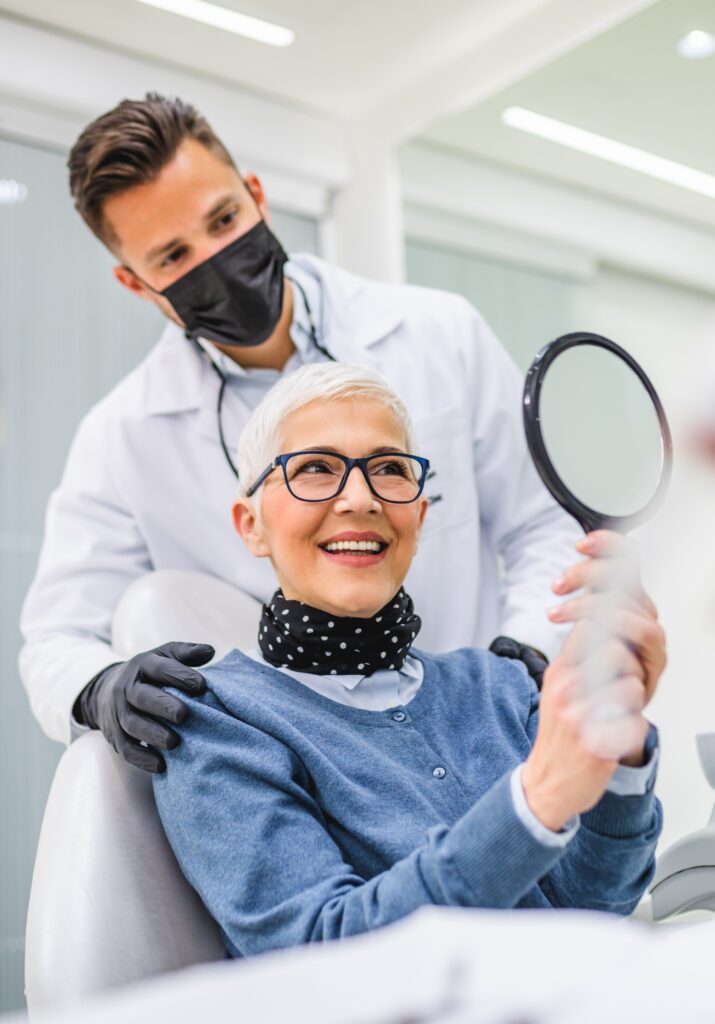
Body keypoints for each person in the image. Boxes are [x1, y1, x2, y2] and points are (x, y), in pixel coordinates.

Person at [20, 93, 580, 772]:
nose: (216, 260)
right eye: (172, 256)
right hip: (304, 775)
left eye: (224, 219)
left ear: (256, 196)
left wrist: (520, 657)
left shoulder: (439, 334)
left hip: (485, 735)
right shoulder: (123, 436)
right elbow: (58, 635)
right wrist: (98, 686)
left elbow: (542, 526)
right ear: (136, 285)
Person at [152, 362, 663, 958]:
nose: (360, 499)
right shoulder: (218, 724)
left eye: (390, 470)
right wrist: (536, 799)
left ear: (418, 515)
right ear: (251, 525)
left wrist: (619, 751)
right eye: (315, 469)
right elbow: (319, 957)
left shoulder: (500, 686)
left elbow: (597, 904)